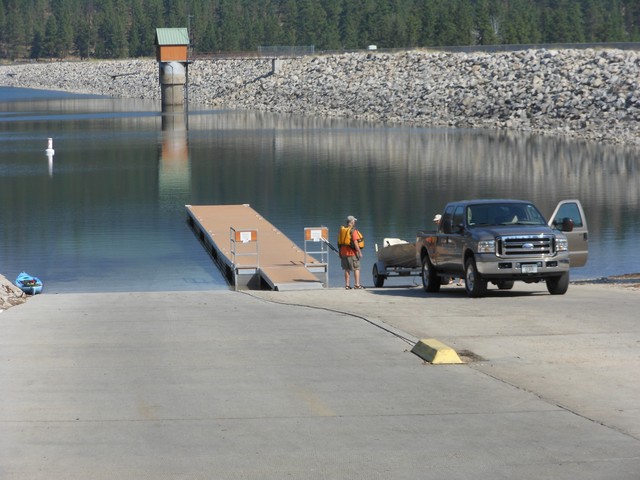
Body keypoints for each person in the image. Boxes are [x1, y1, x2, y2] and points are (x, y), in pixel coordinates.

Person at [337, 215, 364, 290]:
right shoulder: (353, 231)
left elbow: (339, 243)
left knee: (346, 269)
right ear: (352, 222)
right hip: (352, 253)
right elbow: (355, 242)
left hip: (343, 253)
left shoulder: (342, 230)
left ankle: (347, 285)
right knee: (356, 268)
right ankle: (357, 285)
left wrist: (340, 253)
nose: (355, 222)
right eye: (354, 221)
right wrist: (359, 252)